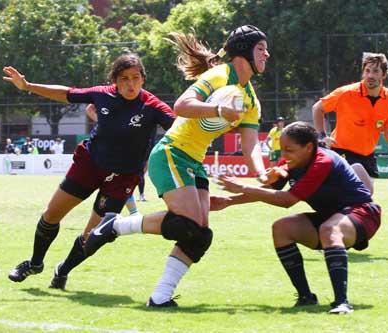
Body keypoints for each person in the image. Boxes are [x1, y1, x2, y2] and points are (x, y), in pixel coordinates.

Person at [84, 25, 270, 307]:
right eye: (261, 48)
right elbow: (182, 105)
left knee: (200, 236)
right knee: (188, 224)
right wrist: (220, 110)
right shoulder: (219, 75)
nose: (267, 54)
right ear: (244, 51)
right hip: (172, 153)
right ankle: (115, 226)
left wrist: (263, 171)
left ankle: (160, 298)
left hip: (193, 162)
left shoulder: (251, 98)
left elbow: (250, 145)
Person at [2, 53, 175, 289]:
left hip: (123, 177)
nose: (130, 84)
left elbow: (179, 127)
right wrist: (28, 86)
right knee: (52, 214)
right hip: (90, 165)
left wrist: (214, 116)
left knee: (92, 236)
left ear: (143, 79)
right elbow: (67, 93)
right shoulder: (102, 94)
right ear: (115, 80)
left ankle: (63, 270)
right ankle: (34, 263)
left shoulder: (153, 106)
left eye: (136, 77)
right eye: (124, 78)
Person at [211, 122, 380, 314]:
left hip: (363, 214)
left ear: (308, 147)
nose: (283, 155)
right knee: (282, 228)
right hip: (330, 217)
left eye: (289, 150)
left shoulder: (322, 161)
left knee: (329, 229)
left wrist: (242, 187)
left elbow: (287, 200)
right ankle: (305, 296)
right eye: (282, 149)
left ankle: (342, 302)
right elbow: (269, 190)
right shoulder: (291, 163)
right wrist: (228, 201)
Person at [312, 52, 388, 192]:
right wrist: (321, 135)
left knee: (364, 197)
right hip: (342, 152)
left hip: (368, 156)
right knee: (352, 195)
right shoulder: (346, 93)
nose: (370, 75)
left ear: (384, 75)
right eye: (367, 71)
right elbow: (317, 108)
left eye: (375, 71)